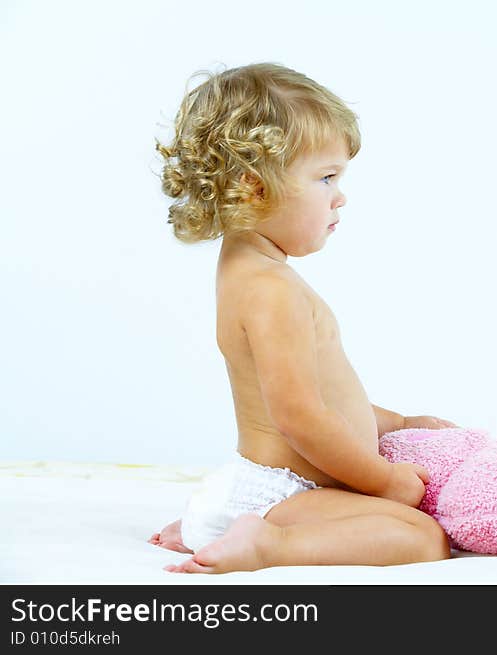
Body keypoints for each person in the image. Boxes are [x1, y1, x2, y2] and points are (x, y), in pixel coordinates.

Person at [149, 62, 455, 573]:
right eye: (326, 177)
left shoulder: (248, 271)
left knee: (408, 528)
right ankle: (270, 544)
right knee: (421, 536)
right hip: (281, 493)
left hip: (269, 489)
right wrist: (384, 480)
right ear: (254, 187)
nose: (341, 196)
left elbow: (317, 396)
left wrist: (396, 423)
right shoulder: (272, 290)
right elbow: (299, 417)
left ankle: (211, 523)